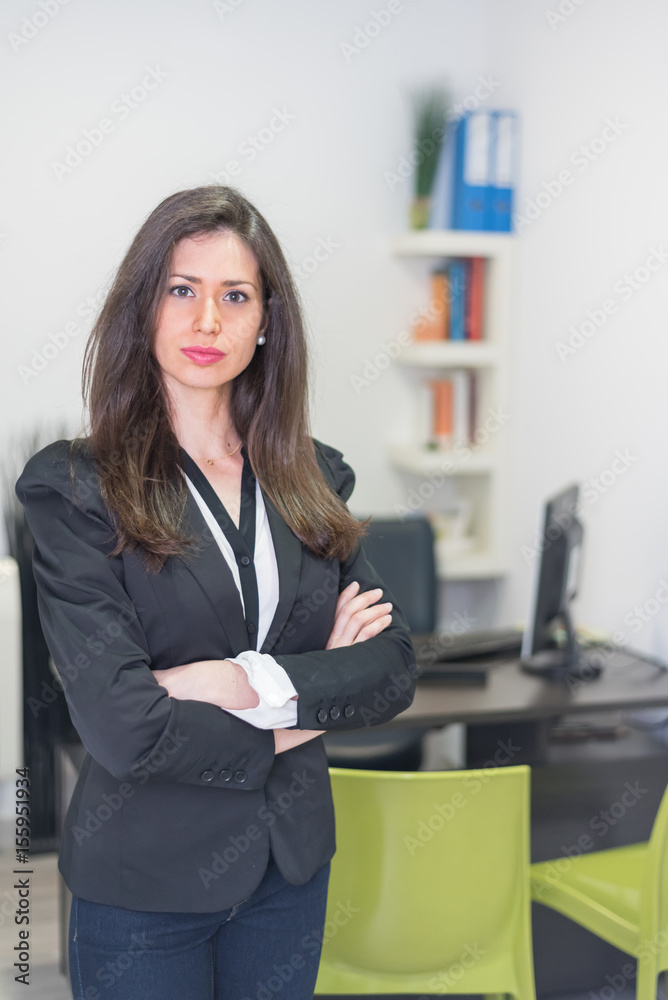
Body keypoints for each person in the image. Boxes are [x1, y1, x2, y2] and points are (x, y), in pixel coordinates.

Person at [15, 185, 417, 1000]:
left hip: (289, 872)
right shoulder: (75, 489)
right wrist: (301, 713)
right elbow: (124, 727)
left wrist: (236, 683)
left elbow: (392, 668)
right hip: (145, 888)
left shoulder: (312, 476)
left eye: (235, 296)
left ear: (267, 319)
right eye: (182, 291)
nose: (208, 322)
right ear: (145, 309)